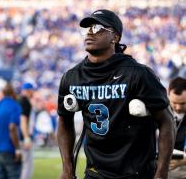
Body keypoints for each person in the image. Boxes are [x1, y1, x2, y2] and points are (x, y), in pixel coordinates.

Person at [57, 9, 175, 179]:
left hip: (136, 173)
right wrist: (67, 169)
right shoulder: (72, 77)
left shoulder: (138, 74)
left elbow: (167, 121)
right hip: (95, 172)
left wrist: (161, 174)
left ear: (115, 37)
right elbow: (64, 121)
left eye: (98, 28)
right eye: (87, 28)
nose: (90, 32)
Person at [0, 82, 22, 179]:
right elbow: (12, 128)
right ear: (13, 93)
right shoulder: (14, 106)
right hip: (9, 148)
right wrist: (17, 149)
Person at [168, 77, 186, 179]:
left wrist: (184, 161)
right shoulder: (159, 112)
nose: (178, 107)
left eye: (183, 103)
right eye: (174, 103)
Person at [18, 82, 34, 179]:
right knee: (27, 165)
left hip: (17, 135)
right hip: (22, 136)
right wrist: (26, 137)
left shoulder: (18, 100)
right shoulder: (25, 102)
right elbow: (23, 120)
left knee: (20, 165)